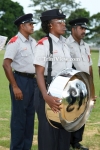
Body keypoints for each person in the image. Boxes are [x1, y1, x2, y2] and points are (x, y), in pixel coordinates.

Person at [33, 9, 72, 150]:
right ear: (50, 25)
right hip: (47, 91)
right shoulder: (43, 44)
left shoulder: (65, 45)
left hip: (64, 93)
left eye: (64, 21)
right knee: (48, 136)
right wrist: (45, 96)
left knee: (64, 134)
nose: (64, 24)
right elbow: (39, 72)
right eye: (59, 22)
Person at [3, 13, 37, 150]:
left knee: (29, 119)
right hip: (20, 81)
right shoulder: (15, 42)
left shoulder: (33, 42)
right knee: (19, 119)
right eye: (30, 24)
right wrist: (15, 86)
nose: (33, 26)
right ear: (22, 26)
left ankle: (26, 147)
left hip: (33, 82)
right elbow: (6, 64)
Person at [66, 17, 93, 150]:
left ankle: (76, 142)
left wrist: (91, 86)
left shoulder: (86, 46)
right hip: (72, 83)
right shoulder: (66, 44)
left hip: (85, 83)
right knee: (70, 113)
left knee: (82, 113)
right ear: (73, 29)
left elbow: (89, 67)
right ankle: (67, 142)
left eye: (85, 29)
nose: (84, 31)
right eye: (81, 28)